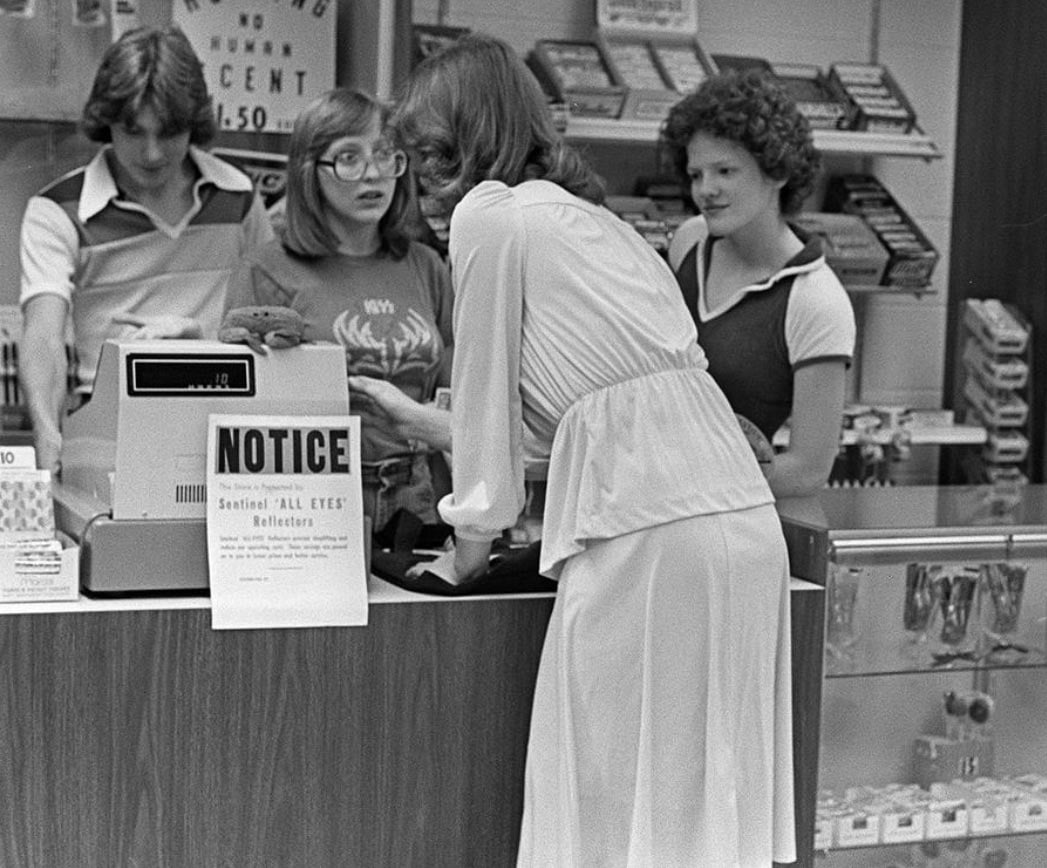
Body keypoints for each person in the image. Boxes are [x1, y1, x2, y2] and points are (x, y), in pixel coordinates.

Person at [391, 34, 795, 867]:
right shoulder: (596, 223)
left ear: (467, 137)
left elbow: (486, 392)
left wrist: (468, 545)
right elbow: (591, 412)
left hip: (647, 536)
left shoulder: (490, 214)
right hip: (741, 529)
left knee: (609, 798)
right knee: (706, 808)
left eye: (429, 150)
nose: (422, 173)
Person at [18, 25, 274, 474]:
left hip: (225, 435)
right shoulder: (58, 211)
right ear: (106, 121)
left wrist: (202, 342)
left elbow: (272, 325)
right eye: (134, 131)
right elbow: (43, 336)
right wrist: (47, 432)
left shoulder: (239, 196)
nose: (152, 153)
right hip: (104, 438)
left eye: (170, 132)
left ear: (193, 125)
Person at [225, 88, 454, 535]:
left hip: (418, 496)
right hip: (315, 500)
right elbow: (236, 412)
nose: (373, 175)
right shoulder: (267, 270)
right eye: (349, 158)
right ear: (311, 172)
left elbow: (452, 394)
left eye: (386, 155)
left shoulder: (425, 264)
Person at [661, 69, 856, 497]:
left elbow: (808, 469)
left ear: (777, 171)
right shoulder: (690, 242)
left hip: (725, 517)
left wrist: (686, 487)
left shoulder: (816, 301)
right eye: (696, 175)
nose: (706, 190)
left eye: (725, 171)